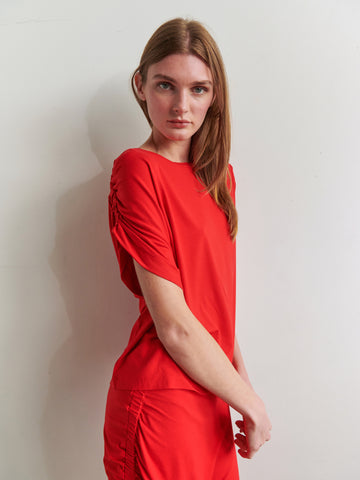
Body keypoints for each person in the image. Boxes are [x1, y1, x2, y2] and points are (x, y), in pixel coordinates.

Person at [103, 17, 271, 480]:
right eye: (165, 85)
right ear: (140, 85)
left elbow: (216, 309)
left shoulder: (220, 179)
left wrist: (242, 393)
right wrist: (252, 405)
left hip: (213, 397)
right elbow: (175, 326)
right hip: (163, 401)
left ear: (214, 96)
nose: (182, 105)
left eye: (198, 89)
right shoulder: (137, 169)